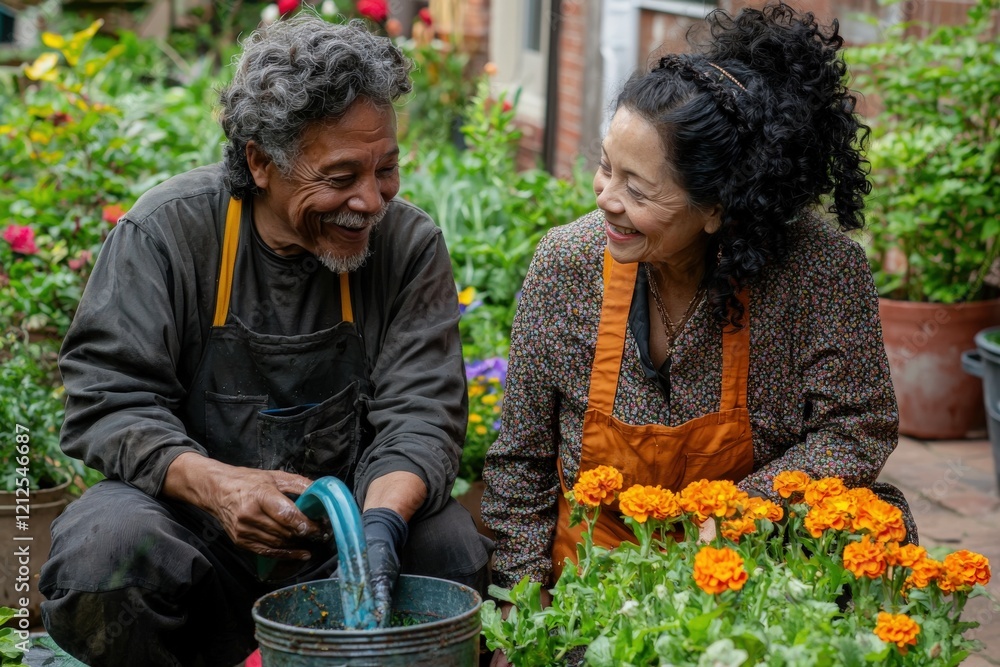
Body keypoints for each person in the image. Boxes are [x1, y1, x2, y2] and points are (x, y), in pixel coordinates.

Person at [39, 14, 491, 667]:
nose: (370, 200)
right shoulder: (169, 235)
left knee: (449, 549)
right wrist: (217, 486)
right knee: (103, 547)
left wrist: (380, 529)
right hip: (193, 540)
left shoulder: (406, 246)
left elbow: (420, 415)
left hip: (343, 551)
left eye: (385, 168)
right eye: (339, 177)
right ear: (259, 161)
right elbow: (109, 401)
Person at [482, 2, 917, 654]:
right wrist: (524, 626)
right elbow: (520, 464)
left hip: (751, 576)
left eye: (637, 186)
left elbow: (858, 426)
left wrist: (737, 514)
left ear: (717, 207)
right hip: (596, 578)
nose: (605, 197)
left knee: (882, 525)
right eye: (606, 167)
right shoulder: (567, 265)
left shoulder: (817, 272)